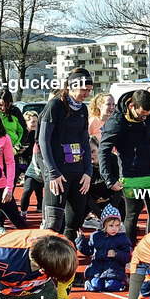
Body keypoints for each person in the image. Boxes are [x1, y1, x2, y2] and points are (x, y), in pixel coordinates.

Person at [99, 88, 150, 245]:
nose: (144, 118)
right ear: (131, 107)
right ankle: (129, 252)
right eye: (141, 115)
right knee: (133, 215)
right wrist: (109, 179)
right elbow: (104, 150)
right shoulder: (117, 121)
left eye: (147, 115)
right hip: (132, 174)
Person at [37, 69, 93, 241]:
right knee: (53, 224)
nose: (86, 94)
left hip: (78, 171)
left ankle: (66, 262)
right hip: (58, 172)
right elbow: (43, 141)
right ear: (72, 86)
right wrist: (53, 172)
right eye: (84, 90)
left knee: (74, 223)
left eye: (90, 90)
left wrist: (88, 172)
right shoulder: (55, 105)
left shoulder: (83, 109)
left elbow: (85, 141)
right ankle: (45, 261)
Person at [75, 204, 133, 292]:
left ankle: (122, 282)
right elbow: (89, 251)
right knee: (96, 286)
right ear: (104, 225)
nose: (114, 229)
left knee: (112, 286)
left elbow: (128, 256)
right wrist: (80, 240)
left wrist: (116, 254)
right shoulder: (96, 236)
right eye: (111, 226)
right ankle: (89, 283)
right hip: (97, 271)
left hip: (114, 271)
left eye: (117, 225)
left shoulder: (123, 238)